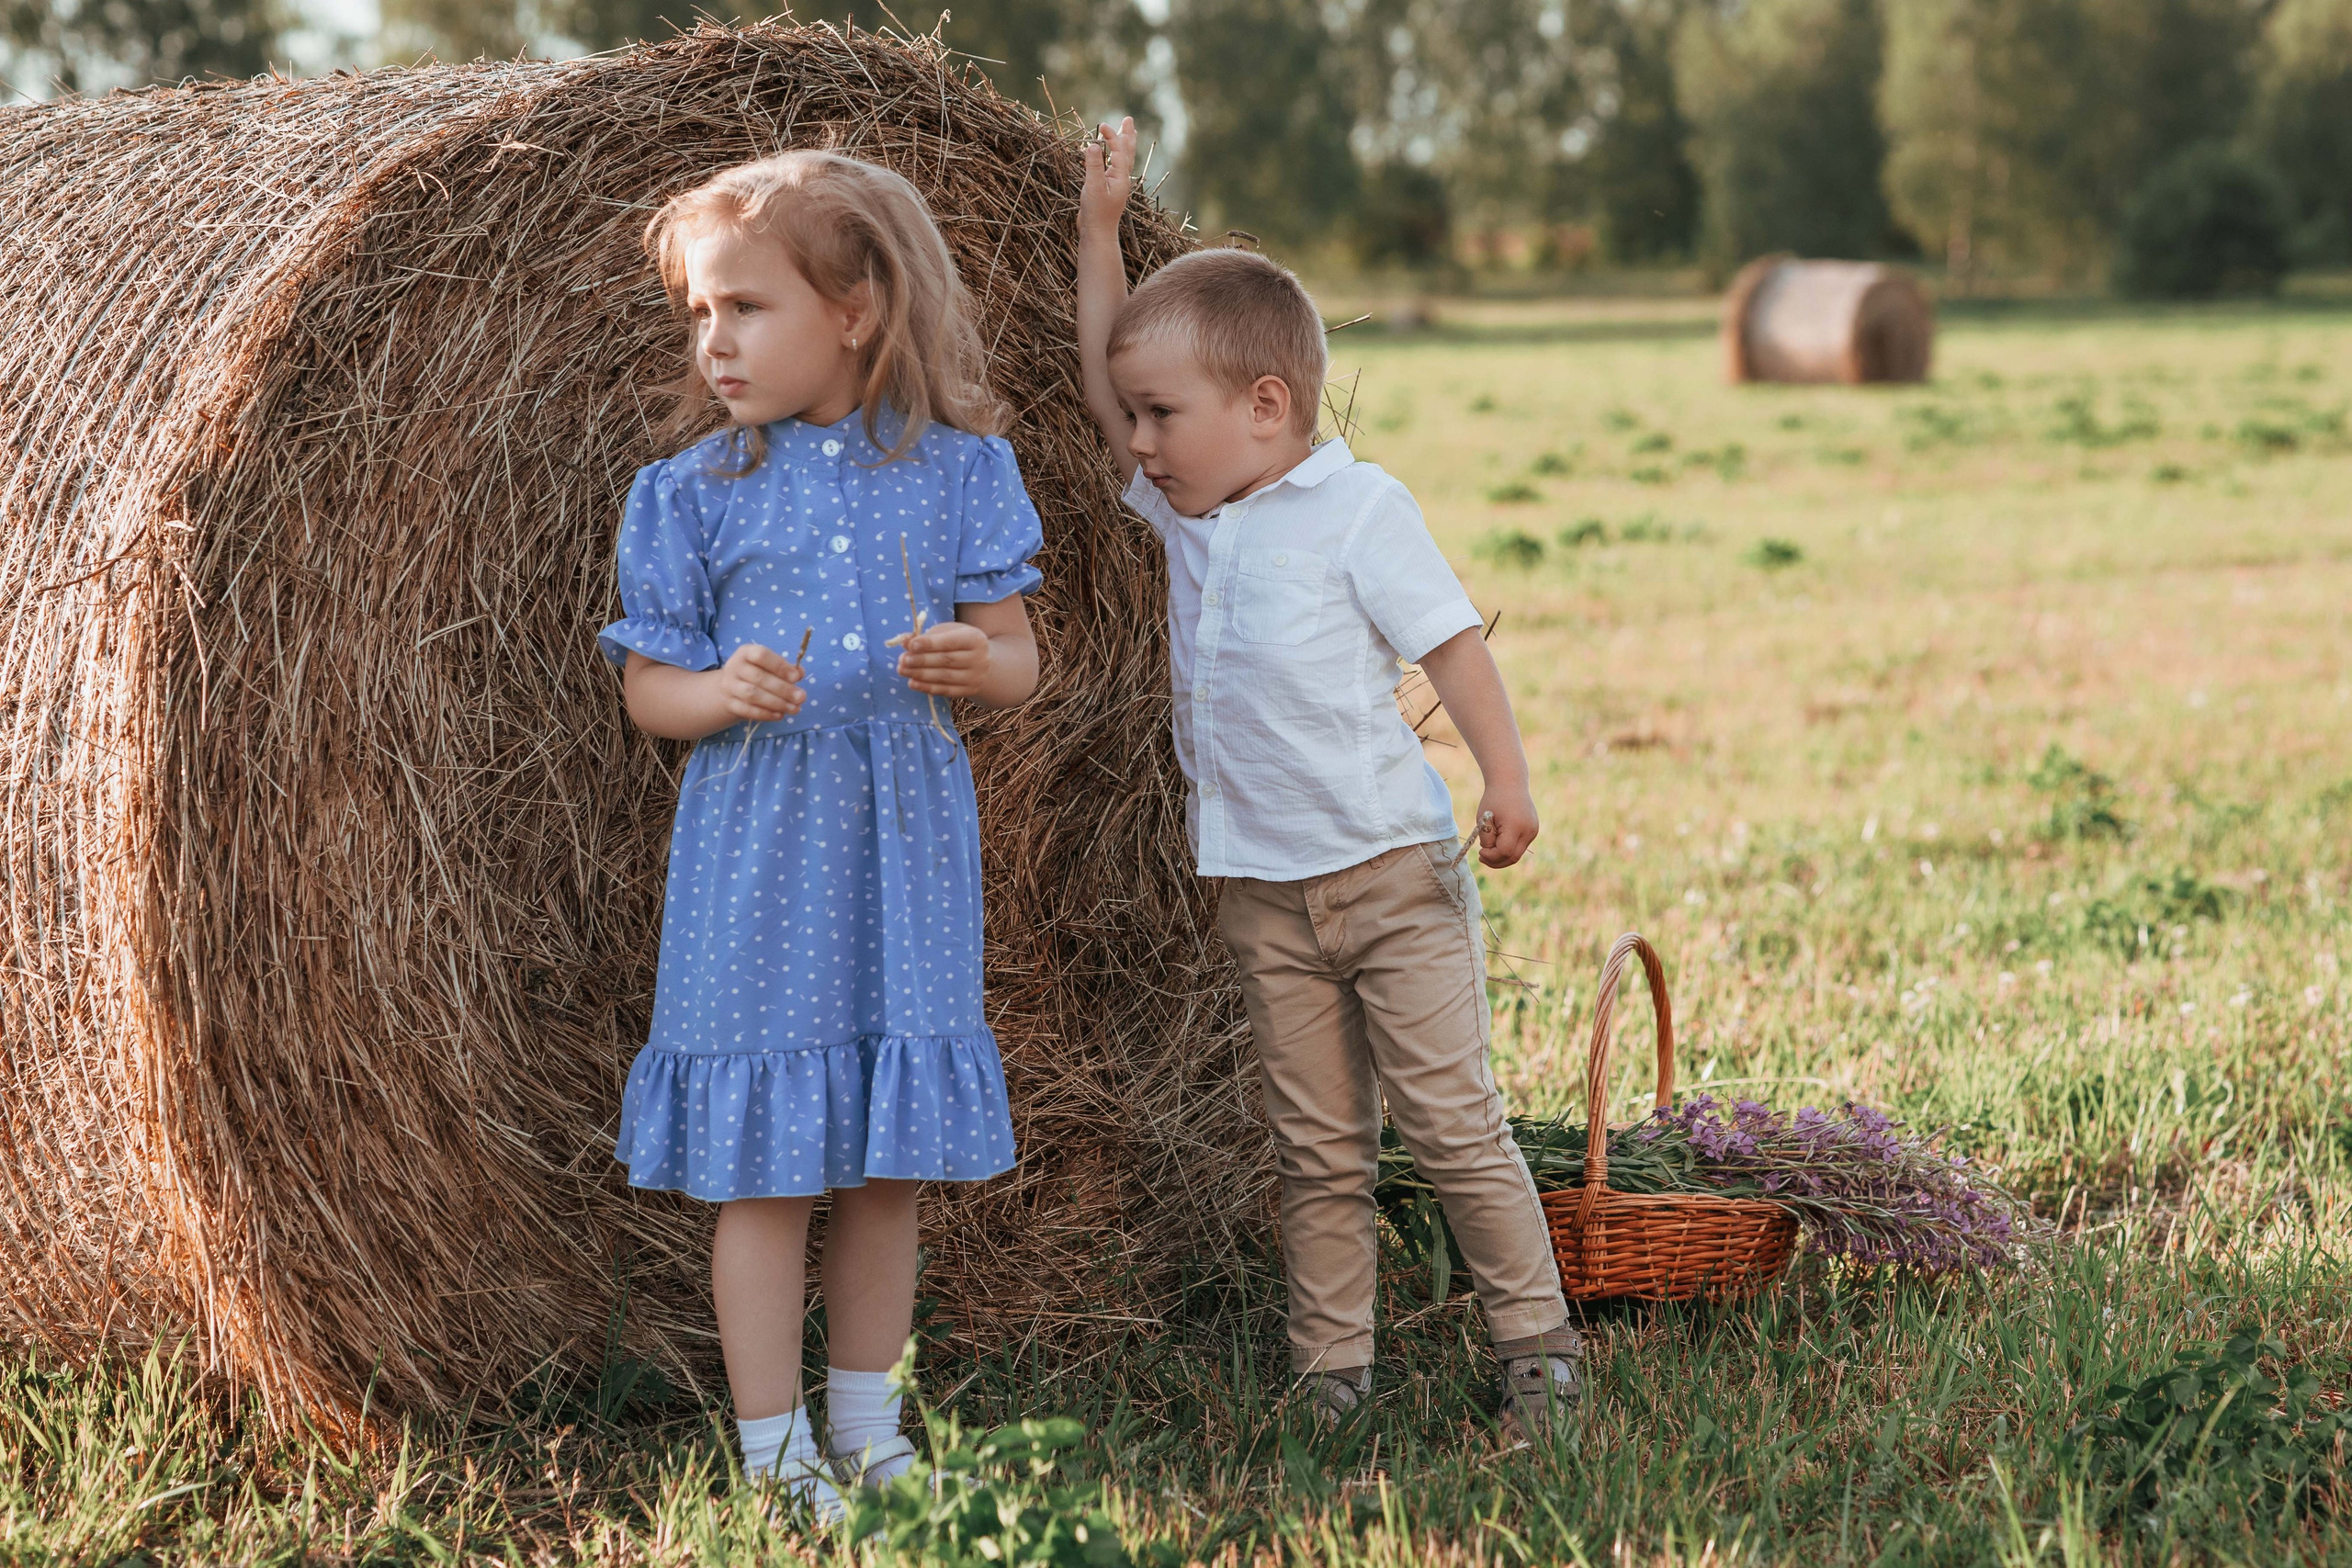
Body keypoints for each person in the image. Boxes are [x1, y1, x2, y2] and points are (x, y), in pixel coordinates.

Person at [1074, 120, 1581, 1440]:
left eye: (1163, 416)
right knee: (1315, 1155)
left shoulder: (1361, 512)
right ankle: (1330, 1376)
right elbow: (1097, 384)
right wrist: (1092, 236)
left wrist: (1505, 779)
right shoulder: (1188, 516)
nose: (1136, 443)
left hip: (1389, 878)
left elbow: (1452, 646)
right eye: (1135, 419)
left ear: (1266, 409)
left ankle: (1539, 1353)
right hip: (1262, 894)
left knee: (1455, 1131)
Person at [601, 150, 1043, 1520]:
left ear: (854, 310)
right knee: (766, 1164)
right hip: (758, 853)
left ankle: (870, 1421)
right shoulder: (693, 491)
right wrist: (717, 692)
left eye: (744, 307)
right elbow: (644, 690)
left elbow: (1024, 659)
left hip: (905, 850)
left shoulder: (964, 475)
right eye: (698, 315)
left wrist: (980, 665)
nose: (713, 342)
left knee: (885, 1164)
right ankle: (776, 1445)